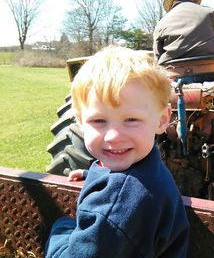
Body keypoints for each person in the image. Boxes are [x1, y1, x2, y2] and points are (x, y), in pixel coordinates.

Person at [45, 46, 190, 258]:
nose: (113, 136)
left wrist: (60, 229)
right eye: (98, 121)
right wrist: (94, 176)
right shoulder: (147, 165)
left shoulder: (118, 207)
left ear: (162, 119)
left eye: (131, 120)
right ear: (80, 122)